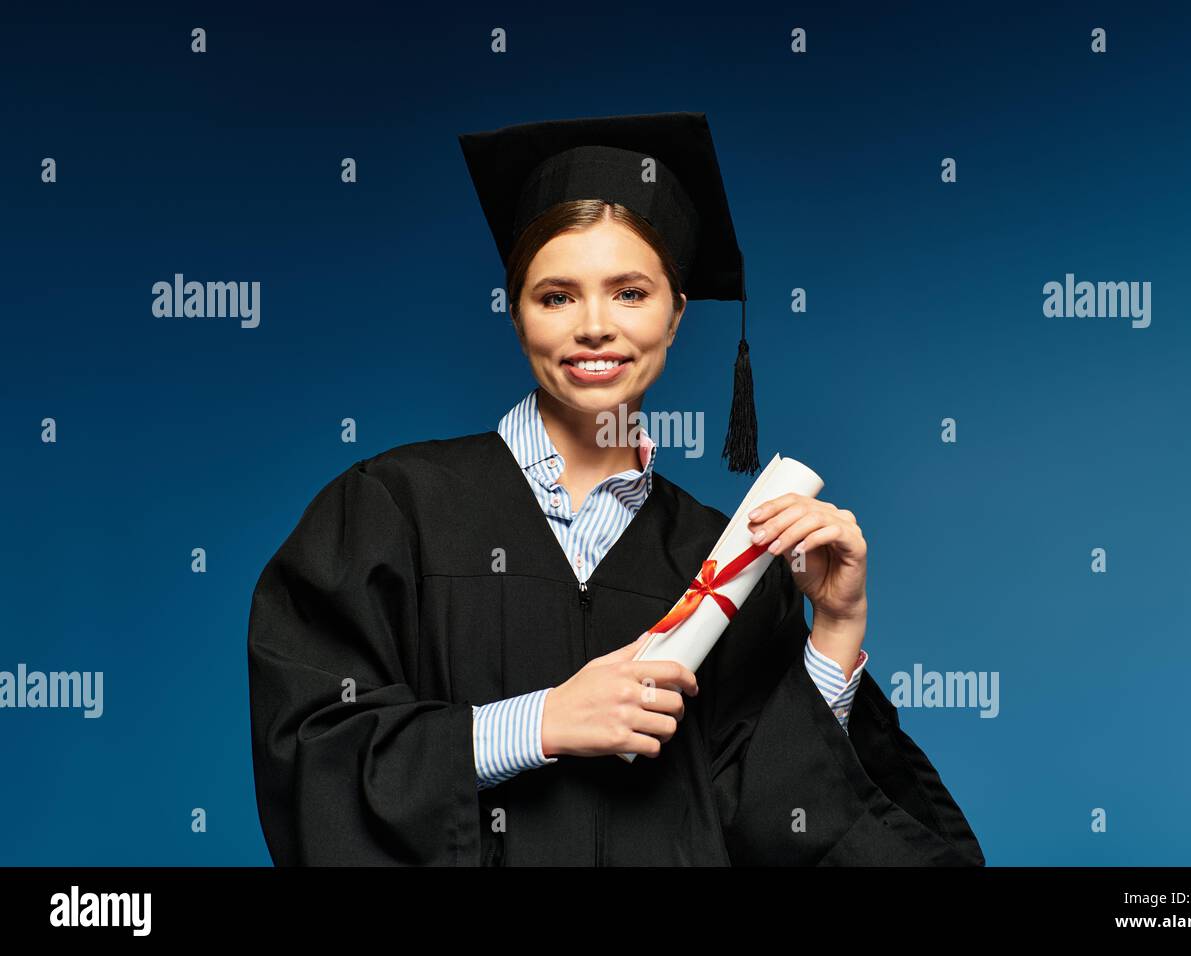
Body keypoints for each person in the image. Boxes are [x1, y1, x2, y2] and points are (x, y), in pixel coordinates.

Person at [247, 111, 985, 866]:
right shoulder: (392, 509)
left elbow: (776, 822)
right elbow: (313, 749)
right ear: (515, 313)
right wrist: (541, 722)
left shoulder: (725, 562)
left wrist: (834, 630)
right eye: (557, 296)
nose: (594, 327)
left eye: (630, 293)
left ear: (676, 316)